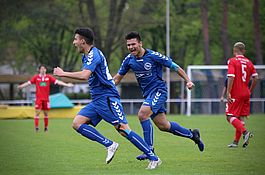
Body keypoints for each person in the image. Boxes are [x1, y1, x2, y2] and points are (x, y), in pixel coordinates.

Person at [53, 28, 161, 169]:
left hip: (107, 98)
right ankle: (109, 144)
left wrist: (63, 73)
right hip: (97, 99)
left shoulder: (94, 55)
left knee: (124, 129)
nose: (74, 42)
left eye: (75, 39)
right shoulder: (85, 56)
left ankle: (153, 157)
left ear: (83, 41)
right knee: (77, 123)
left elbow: (85, 75)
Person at [113, 31, 204, 161]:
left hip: (159, 91)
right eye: (128, 45)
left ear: (140, 43)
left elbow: (175, 67)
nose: (131, 47)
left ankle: (148, 149)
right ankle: (193, 135)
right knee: (163, 126)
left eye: (133, 44)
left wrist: (188, 80)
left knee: (142, 114)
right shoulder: (128, 60)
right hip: (148, 95)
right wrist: (105, 86)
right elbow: (117, 79)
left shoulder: (154, 56)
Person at [18, 65, 74, 132]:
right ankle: (36, 128)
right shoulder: (36, 77)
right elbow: (28, 83)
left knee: (46, 113)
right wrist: (21, 86)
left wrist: (67, 85)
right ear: (39, 70)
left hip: (46, 99)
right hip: (39, 99)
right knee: (37, 113)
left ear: (45, 70)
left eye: (44, 69)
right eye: (41, 69)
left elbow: (58, 82)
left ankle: (46, 128)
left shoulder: (48, 77)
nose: (43, 70)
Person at [225, 42, 258, 148]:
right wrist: (250, 90)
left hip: (236, 93)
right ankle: (235, 142)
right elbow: (256, 77)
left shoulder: (232, 61)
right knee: (240, 118)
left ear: (234, 50)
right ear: (243, 51)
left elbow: (231, 76)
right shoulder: (249, 62)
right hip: (246, 93)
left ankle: (245, 132)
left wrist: (228, 91)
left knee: (229, 116)